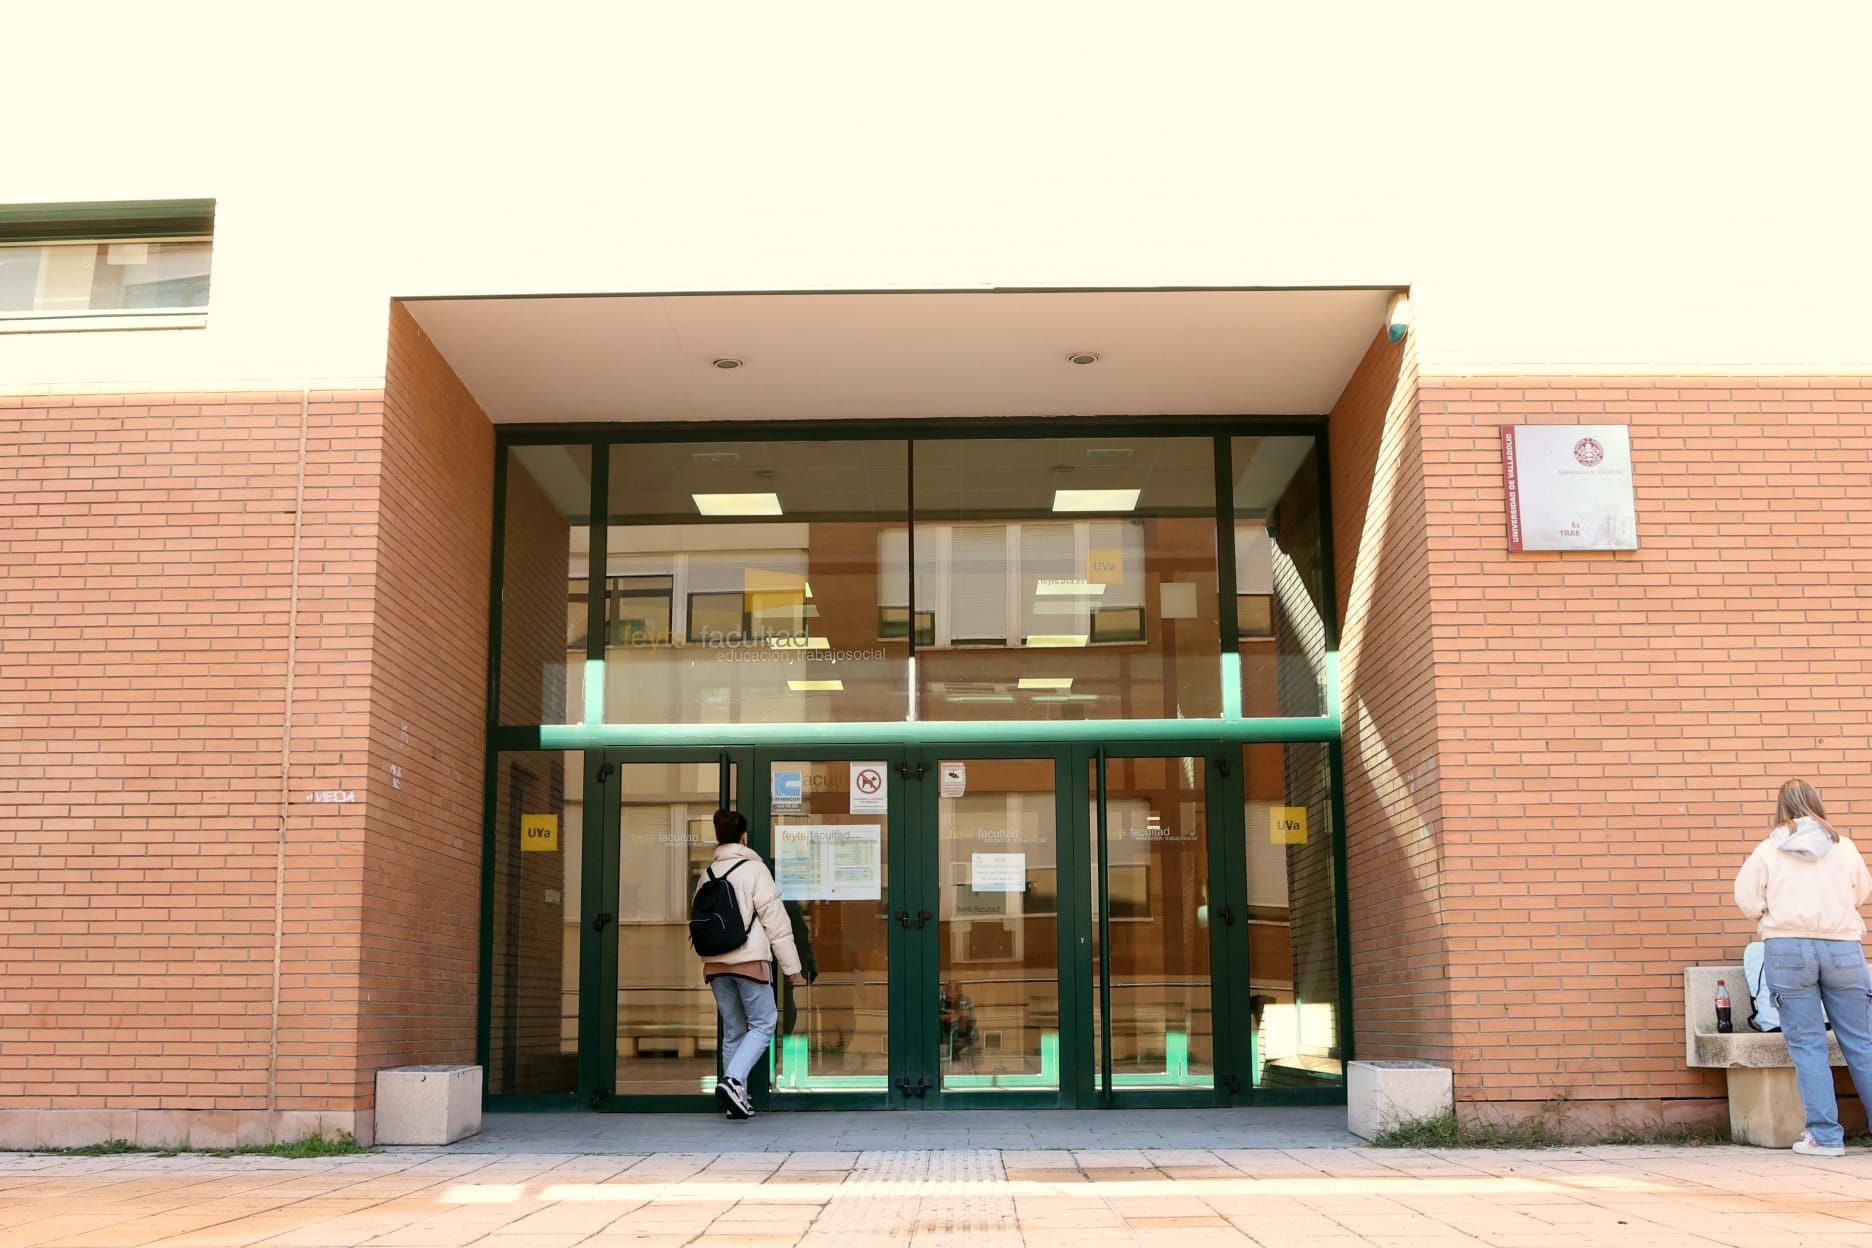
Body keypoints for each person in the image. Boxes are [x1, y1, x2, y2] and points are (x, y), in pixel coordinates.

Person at [1733, 780, 1872, 1156]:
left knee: (1808, 1047)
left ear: (1781, 808)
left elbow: (1747, 901)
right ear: (1816, 804)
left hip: (1788, 946)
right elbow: (1862, 892)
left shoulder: (1768, 850)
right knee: (1862, 1043)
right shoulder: (1844, 848)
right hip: (1843, 947)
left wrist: (1772, 911)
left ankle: (1825, 1137)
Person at [697, 810, 804, 1120]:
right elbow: (776, 923)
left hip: (715, 965)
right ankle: (732, 1081)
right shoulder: (754, 870)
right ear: (744, 837)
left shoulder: (708, 873)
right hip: (750, 961)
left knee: (734, 1031)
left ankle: (736, 1100)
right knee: (765, 1023)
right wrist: (792, 968)